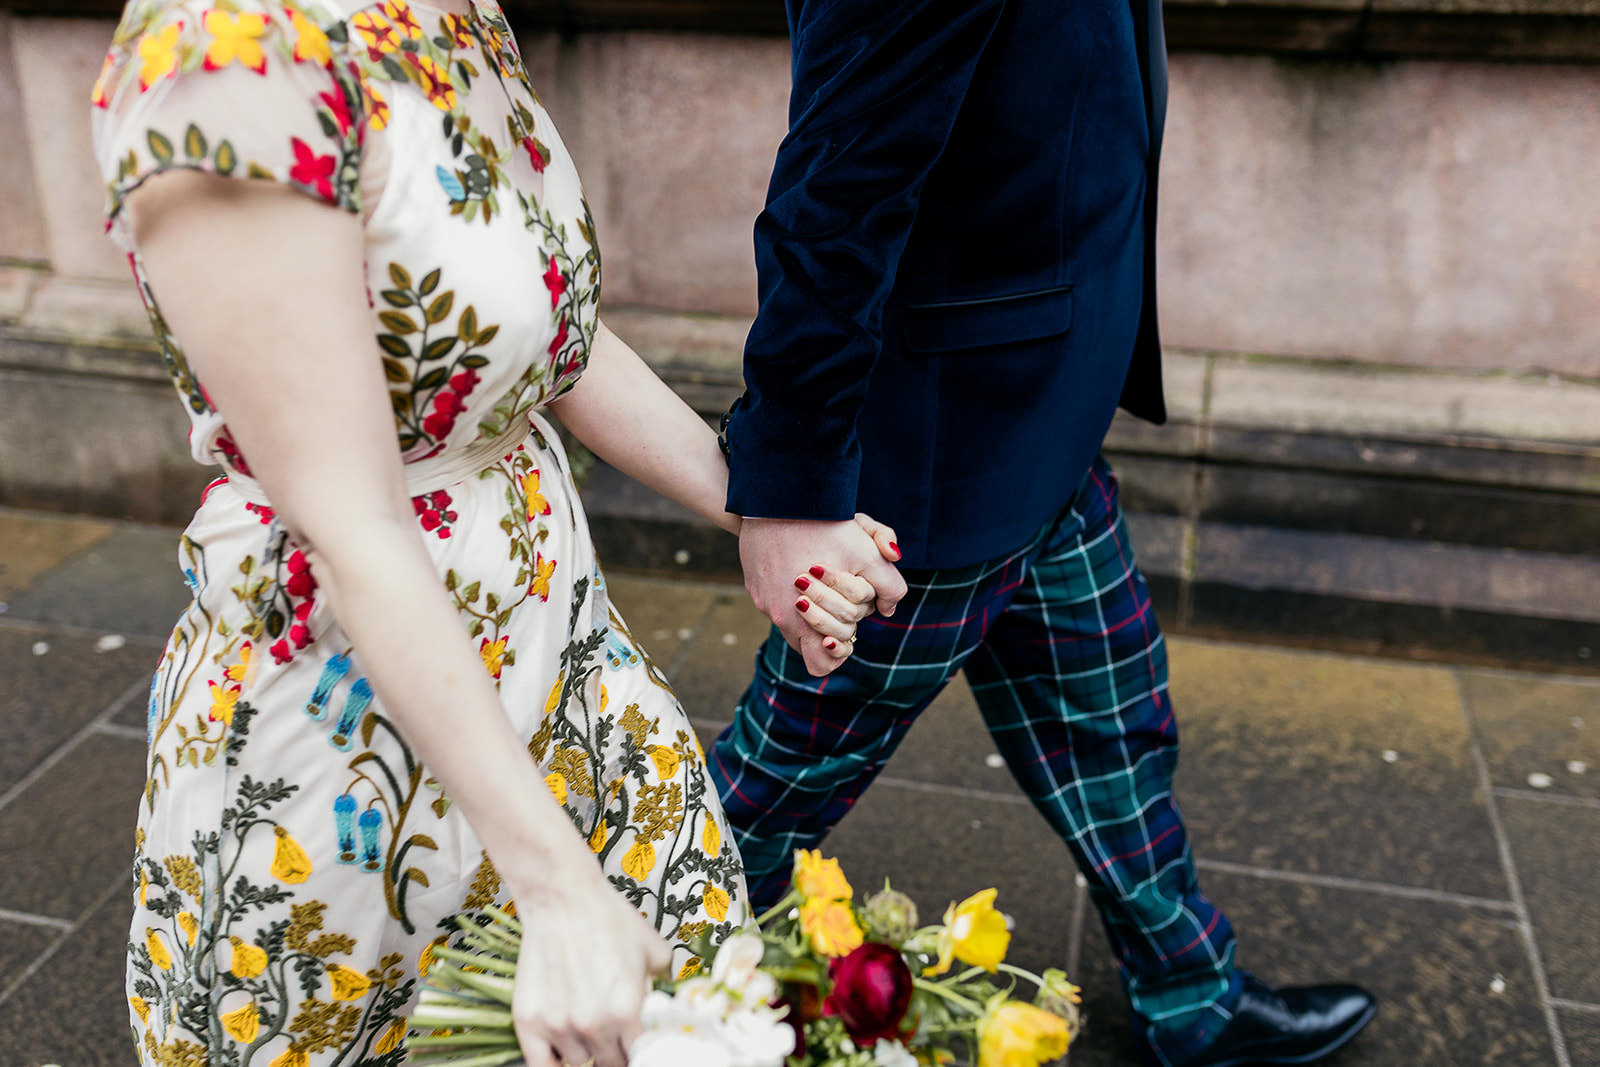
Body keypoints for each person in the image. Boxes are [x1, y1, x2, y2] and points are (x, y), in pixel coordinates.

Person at [89, 2, 904, 1065]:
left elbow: (539, 329)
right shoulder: (223, 74)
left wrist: (763, 507)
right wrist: (559, 890)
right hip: (353, 726)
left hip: (559, 639)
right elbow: (354, 525)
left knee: (685, 1008)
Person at [710, 2, 1379, 1065]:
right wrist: (790, 491)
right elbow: (838, 186)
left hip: (1043, 412)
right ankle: (595, 983)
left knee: (1113, 724)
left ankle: (1192, 998)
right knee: (764, 796)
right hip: (937, 462)